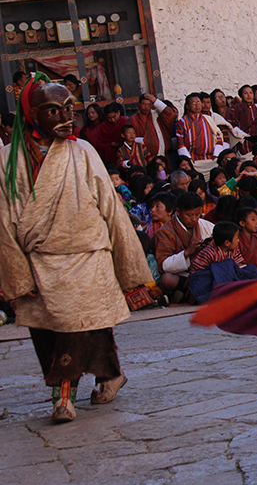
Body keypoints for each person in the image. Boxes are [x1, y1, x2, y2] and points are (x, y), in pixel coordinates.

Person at [0, 76, 153, 423]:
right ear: (33, 115)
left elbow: (110, 208)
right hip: (38, 259)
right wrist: (17, 276)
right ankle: (111, 374)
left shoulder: (82, 151)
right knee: (48, 333)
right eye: (53, 111)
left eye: (70, 108)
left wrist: (129, 266)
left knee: (79, 326)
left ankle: (63, 398)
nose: (66, 118)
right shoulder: (8, 159)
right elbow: (4, 221)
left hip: (87, 254)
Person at [153, 191, 214, 299]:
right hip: (182, 275)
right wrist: (186, 253)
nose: (194, 219)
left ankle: (188, 293)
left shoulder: (205, 225)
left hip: (203, 272)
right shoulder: (165, 232)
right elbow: (163, 265)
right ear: (178, 212)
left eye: (197, 214)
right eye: (189, 215)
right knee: (167, 279)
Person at [176, 93, 226, 179]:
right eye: (193, 103)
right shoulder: (182, 122)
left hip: (211, 160)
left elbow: (218, 137)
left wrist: (216, 154)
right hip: (194, 161)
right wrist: (189, 160)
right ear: (187, 106)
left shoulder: (208, 119)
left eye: (199, 102)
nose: (197, 105)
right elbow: (180, 143)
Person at [129, 93, 176, 161]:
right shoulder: (133, 119)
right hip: (143, 156)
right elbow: (128, 137)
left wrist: (155, 100)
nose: (146, 107)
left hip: (163, 155)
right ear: (139, 104)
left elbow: (170, 114)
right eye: (143, 104)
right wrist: (144, 141)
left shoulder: (156, 115)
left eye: (149, 104)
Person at [224, 85, 257, 157]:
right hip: (244, 141)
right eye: (245, 93)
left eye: (251, 93)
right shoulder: (235, 109)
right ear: (241, 96)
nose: (249, 95)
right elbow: (231, 125)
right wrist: (243, 136)